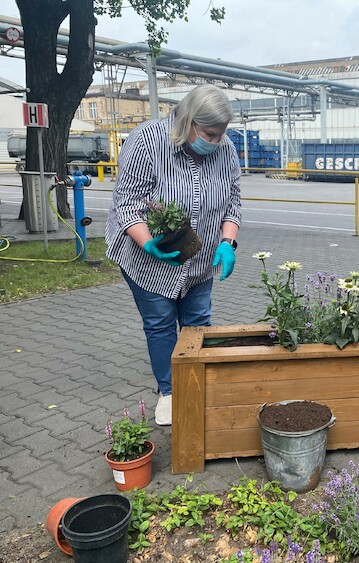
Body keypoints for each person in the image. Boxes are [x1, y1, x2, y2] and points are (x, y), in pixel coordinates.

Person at [105, 84, 241, 426]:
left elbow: (234, 201)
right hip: (148, 259)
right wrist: (148, 242)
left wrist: (227, 242)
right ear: (189, 121)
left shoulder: (225, 148)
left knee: (197, 323)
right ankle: (169, 393)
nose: (215, 141)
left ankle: (195, 384)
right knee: (161, 323)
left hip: (200, 258)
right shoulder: (147, 140)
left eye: (221, 134)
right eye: (209, 133)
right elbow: (129, 203)